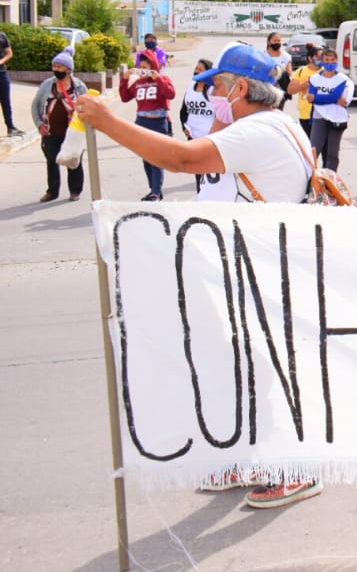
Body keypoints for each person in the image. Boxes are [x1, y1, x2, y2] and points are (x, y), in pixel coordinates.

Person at [77, 41, 323, 505]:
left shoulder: (257, 133)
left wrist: (109, 123)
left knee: (267, 370)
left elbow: (183, 159)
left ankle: (296, 465)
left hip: (262, 269)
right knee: (241, 367)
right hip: (247, 266)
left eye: (219, 88)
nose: (211, 96)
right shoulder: (274, 123)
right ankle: (249, 457)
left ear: (242, 88)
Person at [119, 49, 176, 201]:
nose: (143, 70)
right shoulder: (139, 83)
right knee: (146, 158)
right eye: (141, 67)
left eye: (146, 66)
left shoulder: (163, 78)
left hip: (158, 121)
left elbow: (171, 94)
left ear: (154, 66)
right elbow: (125, 97)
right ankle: (154, 189)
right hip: (141, 122)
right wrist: (124, 80)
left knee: (156, 159)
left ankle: (156, 192)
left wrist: (158, 79)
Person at [32, 48, 87, 202]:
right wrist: (38, 124)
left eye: (59, 67)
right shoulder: (47, 85)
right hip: (50, 131)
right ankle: (52, 191)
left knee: (73, 161)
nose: (56, 69)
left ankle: (75, 191)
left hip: (73, 131)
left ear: (68, 69)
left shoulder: (79, 86)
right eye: (54, 66)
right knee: (51, 160)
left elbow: (88, 106)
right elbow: (35, 105)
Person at [307, 47, 353, 170]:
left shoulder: (344, 79)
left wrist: (318, 98)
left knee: (333, 153)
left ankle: (330, 180)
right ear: (322, 61)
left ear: (336, 61)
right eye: (327, 60)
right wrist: (334, 100)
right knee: (314, 150)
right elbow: (310, 98)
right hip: (319, 117)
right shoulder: (315, 78)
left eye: (333, 60)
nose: (330, 63)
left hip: (336, 118)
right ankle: (310, 178)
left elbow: (342, 99)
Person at [179, 58, 216, 193]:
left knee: (210, 174)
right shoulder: (191, 87)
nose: (196, 71)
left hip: (210, 140)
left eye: (200, 69)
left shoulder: (214, 91)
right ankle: (200, 197)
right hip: (193, 139)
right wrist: (184, 128)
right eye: (196, 69)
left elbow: (221, 114)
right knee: (198, 173)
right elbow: (183, 111)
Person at [287, 43, 325, 135]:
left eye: (322, 56)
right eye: (317, 56)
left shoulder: (326, 71)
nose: (320, 59)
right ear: (310, 58)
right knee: (310, 143)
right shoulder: (301, 71)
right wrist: (301, 86)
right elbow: (290, 90)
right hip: (306, 114)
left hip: (323, 114)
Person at [0, 27, 22, 136]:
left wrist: (1, 62)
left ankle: (10, 127)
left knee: (5, 101)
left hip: (1, 72)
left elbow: (9, 53)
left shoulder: (2, 36)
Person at [265, 31, 292, 110]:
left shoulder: (286, 56)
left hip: (281, 91)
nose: (277, 43)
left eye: (279, 41)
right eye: (275, 40)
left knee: (278, 112)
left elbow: (289, 73)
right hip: (267, 90)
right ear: (269, 42)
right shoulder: (263, 55)